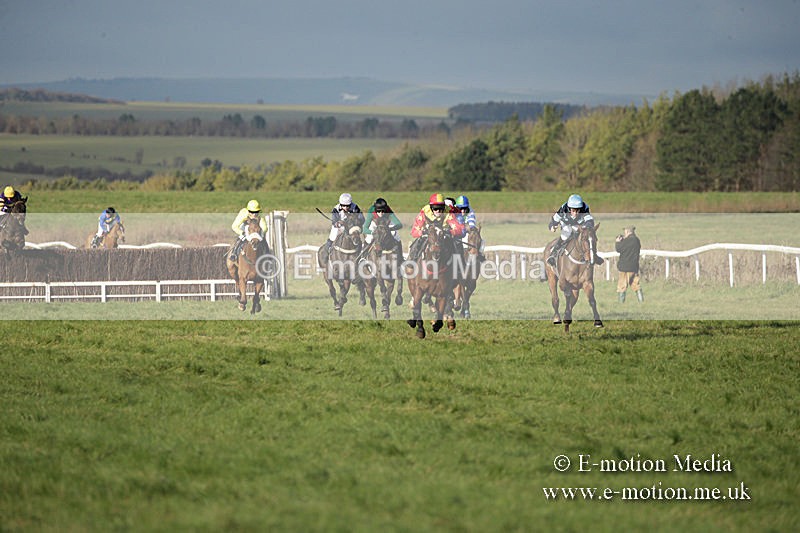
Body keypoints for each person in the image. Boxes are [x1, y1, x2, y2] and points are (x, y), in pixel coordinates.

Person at [547, 193, 604, 266]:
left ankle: (594, 255)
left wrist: (586, 228)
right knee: (566, 234)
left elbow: (589, 221)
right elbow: (554, 220)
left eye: (578, 211)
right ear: (569, 208)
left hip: (579, 224)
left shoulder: (584, 207)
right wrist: (552, 226)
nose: (576, 213)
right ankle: (553, 255)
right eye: (573, 211)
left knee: (587, 236)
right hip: (566, 224)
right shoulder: (563, 209)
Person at [408, 193, 465, 260]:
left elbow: (459, 229)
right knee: (417, 242)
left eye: (441, 208)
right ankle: (411, 264)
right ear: (431, 208)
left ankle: (460, 265)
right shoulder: (425, 211)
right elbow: (413, 232)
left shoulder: (448, 211)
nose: (438, 211)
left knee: (457, 243)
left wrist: (450, 231)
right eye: (435, 208)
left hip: (443, 234)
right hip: (428, 234)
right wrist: (422, 232)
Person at [362, 197, 404, 271]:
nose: (381, 213)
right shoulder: (371, 213)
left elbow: (399, 225)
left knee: (396, 236)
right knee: (368, 239)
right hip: (374, 225)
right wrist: (373, 232)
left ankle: (400, 258)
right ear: (375, 210)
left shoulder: (388, 212)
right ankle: (363, 258)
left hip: (387, 225)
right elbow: (364, 229)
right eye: (379, 211)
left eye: (383, 211)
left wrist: (389, 229)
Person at [615, 226, 643, 302]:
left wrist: (618, 242)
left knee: (622, 286)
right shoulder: (637, 240)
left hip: (624, 268)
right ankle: (641, 301)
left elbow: (618, 249)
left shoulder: (626, 241)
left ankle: (621, 303)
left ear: (627, 232)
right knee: (636, 285)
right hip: (634, 267)